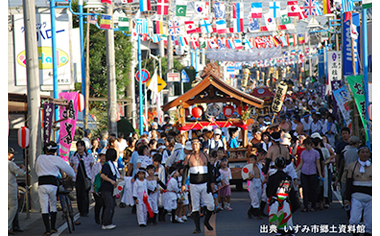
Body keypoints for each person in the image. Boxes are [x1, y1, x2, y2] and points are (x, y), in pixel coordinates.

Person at [35, 142, 75, 235]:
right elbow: (71, 172)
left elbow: (37, 170)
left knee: (44, 206)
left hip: (42, 184)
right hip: (52, 184)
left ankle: (47, 230)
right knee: (53, 204)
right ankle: (53, 227)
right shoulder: (56, 159)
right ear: (54, 151)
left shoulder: (40, 158)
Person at [181, 138, 215, 234]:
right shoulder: (188, 157)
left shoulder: (205, 156)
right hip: (193, 185)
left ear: (199, 145)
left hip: (205, 184)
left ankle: (206, 221)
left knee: (211, 205)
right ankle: (197, 228)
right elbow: (185, 171)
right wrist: (183, 184)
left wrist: (212, 182)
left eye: (196, 144)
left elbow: (210, 171)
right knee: (195, 207)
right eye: (192, 144)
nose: (194, 146)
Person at [266, 157, 298, 236]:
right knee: (287, 225)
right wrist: (294, 205)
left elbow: (268, 192)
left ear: (275, 166)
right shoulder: (288, 178)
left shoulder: (272, 178)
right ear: (284, 166)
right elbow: (292, 193)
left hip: (275, 202)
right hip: (286, 203)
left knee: (276, 227)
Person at [344, 145, 372, 236]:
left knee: (370, 222)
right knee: (354, 220)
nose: (365, 154)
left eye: (367, 152)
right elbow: (348, 183)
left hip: (371, 197)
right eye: (362, 152)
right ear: (358, 154)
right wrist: (346, 198)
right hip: (356, 197)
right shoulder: (352, 166)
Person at [295, 138, 323, 212]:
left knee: (313, 190)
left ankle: (313, 206)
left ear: (310, 144)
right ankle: (305, 206)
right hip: (304, 172)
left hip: (313, 173)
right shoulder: (303, 153)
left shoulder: (316, 153)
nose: (305, 147)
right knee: (305, 190)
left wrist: (320, 174)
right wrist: (296, 170)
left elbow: (318, 164)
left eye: (306, 145)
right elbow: (301, 162)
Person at [70, 140, 95, 217]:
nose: (80, 148)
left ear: (84, 147)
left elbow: (92, 166)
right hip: (77, 178)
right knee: (79, 194)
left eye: (81, 146)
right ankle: (80, 210)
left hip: (86, 177)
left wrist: (93, 177)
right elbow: (71, 165)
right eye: (78, 146)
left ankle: (85, 210)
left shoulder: (89, 156)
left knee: (85, 194)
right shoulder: (74, 156)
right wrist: (73, 169)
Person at [336, 136, 361, 205]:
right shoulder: (358, 152)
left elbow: (342, 165)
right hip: (356, 173)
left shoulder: (345, 152)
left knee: (345, 189)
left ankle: (346, 203)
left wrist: (338, 177)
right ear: (356, 143)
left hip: (346, 172)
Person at [100, 149, 119, 230]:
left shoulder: (112, 164)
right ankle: (106, 223)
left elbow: (117, 175)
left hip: (111, 189)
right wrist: (111, 181)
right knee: (109, 204)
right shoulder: (107, 165)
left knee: (111, 205)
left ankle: (108, 221)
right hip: (106, 188)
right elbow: (102, 175)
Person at [8, 148, 25, 235]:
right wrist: (23, 168)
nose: (13, 155)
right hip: (10, 189)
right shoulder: (10, 164)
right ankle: (7, 226)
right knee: (13, 207)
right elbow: (21, 173)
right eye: (11, 154)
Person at [91, 149, 107, 225]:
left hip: (105, 187)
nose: (103, 157)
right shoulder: (95, 166)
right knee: (99, 203)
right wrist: (94, 187)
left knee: (105, 204)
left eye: (105, 156)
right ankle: (96, 216)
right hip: (97, 187)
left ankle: (103, 218)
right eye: (102, 156)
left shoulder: (109, 165)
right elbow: (93, 177)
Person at [247, 155, 264, 220]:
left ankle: (250, 212)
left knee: (257, 198)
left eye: (252, 160)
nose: (251, 161)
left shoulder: (258, 167)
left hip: (259, 183)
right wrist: (249, 177)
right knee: (255, 199)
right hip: (253, 184)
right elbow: (247, 176)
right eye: (250, 160)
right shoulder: (249, 168)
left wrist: (262, 181)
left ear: (256, 161)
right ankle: (257, 214)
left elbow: (261, 175)